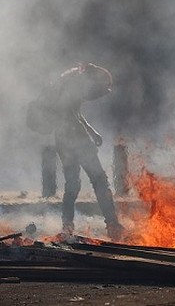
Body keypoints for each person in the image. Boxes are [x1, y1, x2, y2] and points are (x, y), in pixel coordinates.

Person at [51, 63, 124, 241]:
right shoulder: (75, 85)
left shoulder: (70, 83)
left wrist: (92, 131)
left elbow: (74, 112)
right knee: (99, 180)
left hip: (64, 139)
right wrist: (86, 136)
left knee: (73, 184)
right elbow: (68, 113)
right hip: (73, 140)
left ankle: (67, 227)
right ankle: (113, 225)